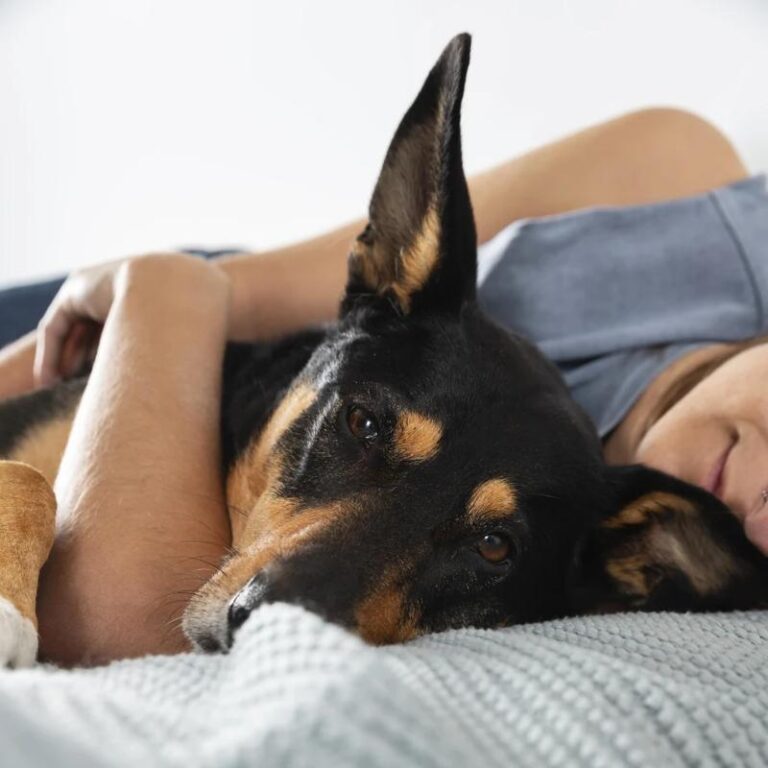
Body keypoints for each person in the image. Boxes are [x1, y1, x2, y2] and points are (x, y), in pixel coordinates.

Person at [0, 107, 764, 666]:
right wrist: (150, 286)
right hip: (146, 321)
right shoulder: (690, 195)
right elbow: (202, 291)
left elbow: (119, 625)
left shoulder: (602, 530)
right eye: (366, 433)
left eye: (493, 545)